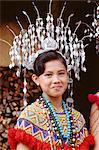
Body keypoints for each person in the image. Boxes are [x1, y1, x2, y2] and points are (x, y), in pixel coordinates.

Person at [8, 50, 97, 150]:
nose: (56, 80)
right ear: (36, 79)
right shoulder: (29, 117)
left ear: (68, 76)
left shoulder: (78, 119)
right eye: (48, 75)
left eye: (61, 73)